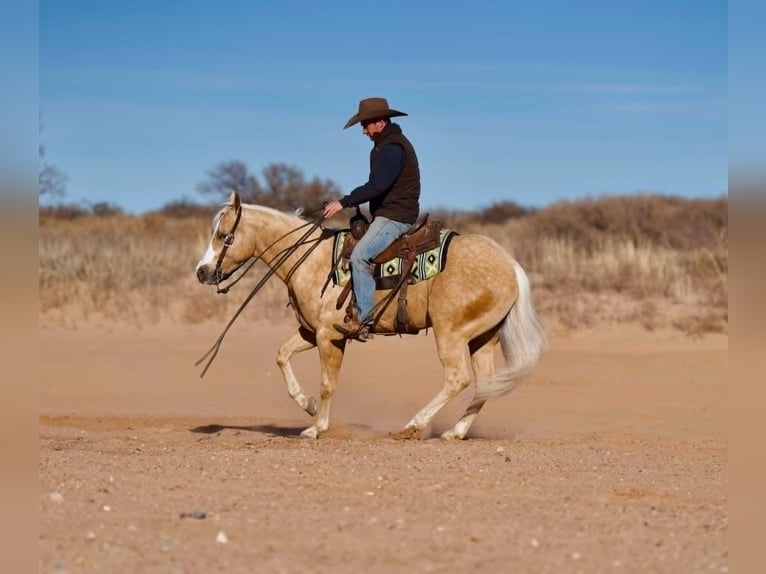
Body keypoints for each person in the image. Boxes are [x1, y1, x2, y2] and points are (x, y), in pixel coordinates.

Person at [324, 97, 421, 341]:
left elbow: (376, 186)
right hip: (389, 214)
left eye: (365, 124)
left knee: (358, 257)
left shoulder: (393, 148)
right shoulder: (383, 146)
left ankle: (365, 321)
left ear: (379, 122)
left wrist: (343, 202)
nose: (363, 131)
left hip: (396, 217)